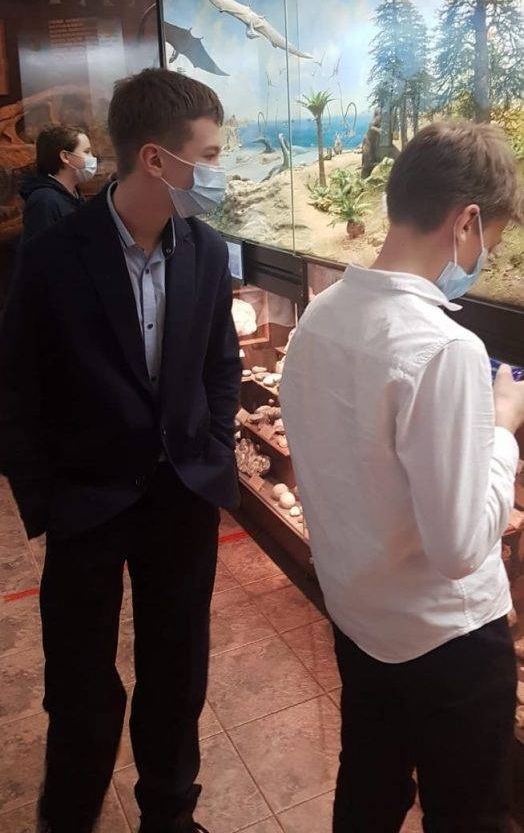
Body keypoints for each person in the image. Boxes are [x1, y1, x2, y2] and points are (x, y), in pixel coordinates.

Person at [0, 68, 241, 833]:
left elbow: (221, 365)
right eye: (210, 154)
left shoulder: (206, 249)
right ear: (155, 160)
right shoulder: (53, 254)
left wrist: (215, 455)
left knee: (178, 672)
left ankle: (169, 815)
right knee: (80, 687)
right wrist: (45, 502)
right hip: (87, 502)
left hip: (182, 497)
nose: (220, 170)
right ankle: (68, 818)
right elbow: (16, 387)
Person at [280, 121, 524, 833]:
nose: (485, 259)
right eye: (492, 241)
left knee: (369, 787)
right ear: (467, 221)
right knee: (469, 814)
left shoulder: (320, 316)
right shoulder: (443, 347)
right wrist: (501, 428)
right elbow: (460, 547)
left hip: (361, 621)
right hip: (448, 643)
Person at [20, 125, 97, 240]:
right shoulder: (44, 201)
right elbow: (41, 248)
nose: (92, 157)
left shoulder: (74, 195)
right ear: (65, 156)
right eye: (86, 152)